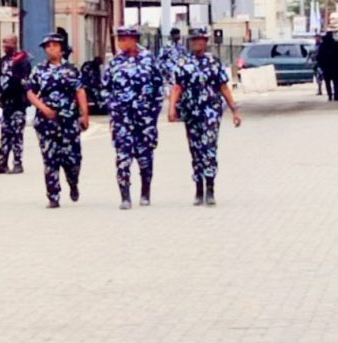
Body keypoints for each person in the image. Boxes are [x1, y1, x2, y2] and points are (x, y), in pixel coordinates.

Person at [169, 27, 242, 206]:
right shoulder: (183, 63)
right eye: (193, 40)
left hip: (210, 112)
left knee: (209, 148)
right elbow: (177, 87)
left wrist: (234, 110)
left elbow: (223, 87)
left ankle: (210, 188)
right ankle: (198, 189)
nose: (196, 43)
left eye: (200, 39)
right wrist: (172, 108)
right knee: (195, 150)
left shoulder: (213, 62)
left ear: (206, 41)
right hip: (191, 112)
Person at [101, 26, 165, 210]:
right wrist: (113, 108)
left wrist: (152, 113)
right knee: (122, 157)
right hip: (122, 120)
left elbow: (159, 87)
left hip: (144, 119)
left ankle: (145, 192)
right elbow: (106, 89)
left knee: (145, 157)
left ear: (134, 39)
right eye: (118, 39)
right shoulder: (114, 63)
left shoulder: (148, 60)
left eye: (124, 39)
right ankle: (125, 196)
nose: (120, 42)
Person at [27, 34, 89, 208]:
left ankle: (73, 181)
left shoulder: (72, 70)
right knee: (50, 159)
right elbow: (31, 92)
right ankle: (53, 196)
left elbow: (80, 92)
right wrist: (43, 108)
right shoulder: (39, 70)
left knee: (73, 159)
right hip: (47, 122)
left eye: (54, 45)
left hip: (69, 121)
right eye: (47, 46)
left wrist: (85, 114)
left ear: (62, 49)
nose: (51, 49)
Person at [0, 34, 31, 175]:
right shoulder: (3, 61)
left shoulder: (22, 61)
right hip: (6, 104)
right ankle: (2, 163)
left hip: (18, 102)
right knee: (5, 133)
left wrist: (4, 94)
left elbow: (17, 81)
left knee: (17, 134)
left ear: (15, 43)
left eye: (7, 43)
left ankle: (18, 163)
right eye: (3, 43)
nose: (4, 46)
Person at [317, 32, 338, 101]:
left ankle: (329, 95)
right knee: (336, 82)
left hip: (326, 67)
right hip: (335, 67)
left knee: (327, 82)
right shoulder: (336, 44)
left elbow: (319, 56)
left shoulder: (323, 45)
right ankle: (336, 95)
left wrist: (321, 65)